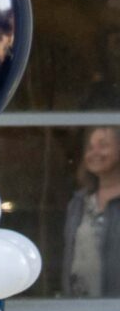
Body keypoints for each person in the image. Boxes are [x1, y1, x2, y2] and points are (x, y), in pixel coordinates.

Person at [64, 125, 120, 297]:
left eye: (103, 145)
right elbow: (70, 254)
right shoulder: (78, 202)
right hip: (79, 303)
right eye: (90, 147)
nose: (95, 153)